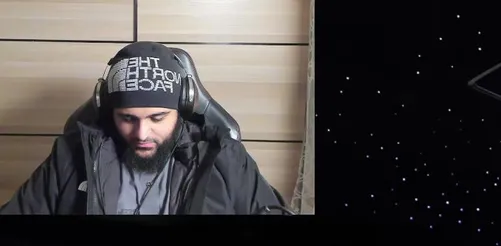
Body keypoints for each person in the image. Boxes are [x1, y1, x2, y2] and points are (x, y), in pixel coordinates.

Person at [0, 41, 286, 215]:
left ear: (184, 107)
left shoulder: (225, 157)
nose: (141, 134)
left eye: (157, 118)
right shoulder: (70, 155)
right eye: (127, 118)